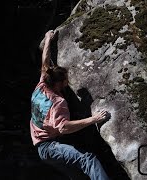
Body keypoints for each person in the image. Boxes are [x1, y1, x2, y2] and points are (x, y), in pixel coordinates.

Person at [30, 30, 110, 180]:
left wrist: (47, 39)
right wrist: (94, 119)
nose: (68, 81)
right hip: (50, 147)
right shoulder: (58, 102)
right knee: (88, 160)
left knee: (77, 176)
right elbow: (63, 127)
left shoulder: (42, 83)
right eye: (65, 80)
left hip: (41, 148)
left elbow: (45, 60)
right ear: (59, 84)